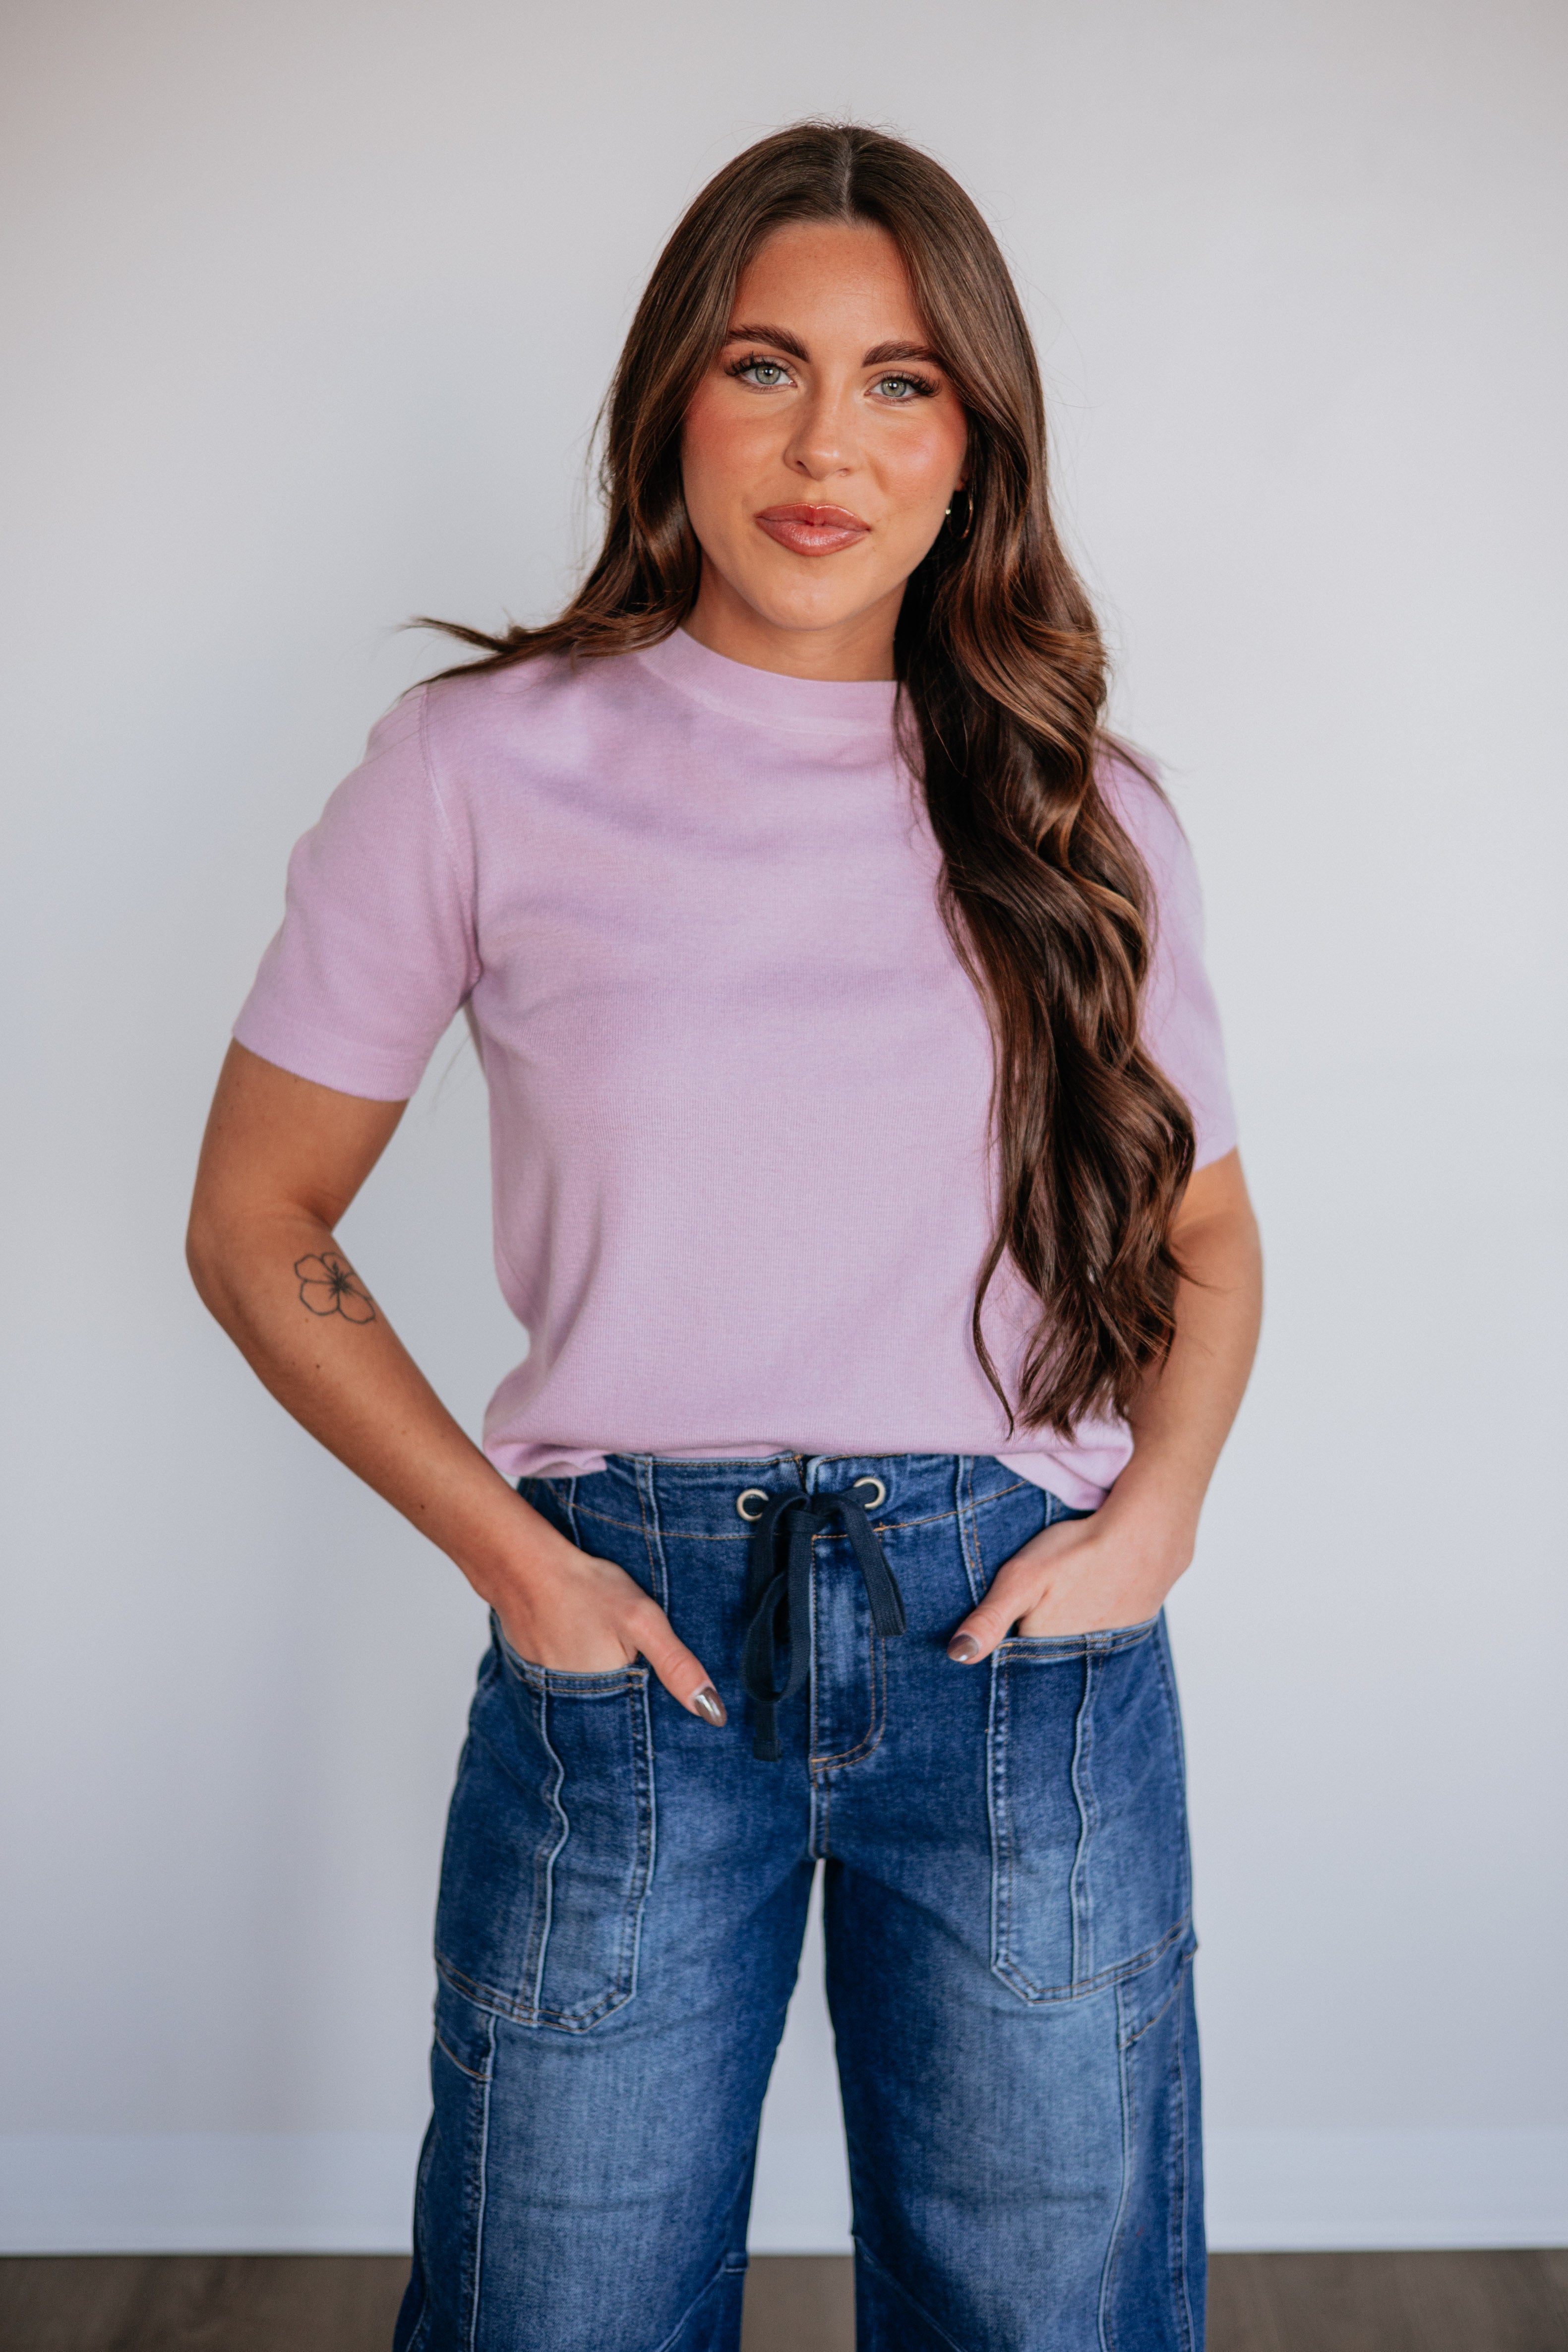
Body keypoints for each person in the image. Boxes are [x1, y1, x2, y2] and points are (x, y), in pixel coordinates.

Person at [187, 120, 1262, 2352]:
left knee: (1048, 2315)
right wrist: (522, 1565)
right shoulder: (473, 766)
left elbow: (1207, 1236)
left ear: (973, 446)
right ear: (671, 396)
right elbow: (255, 1213)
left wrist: (1152, 1521)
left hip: (1020, 1647)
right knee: (552, 2308)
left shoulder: (1082, 809)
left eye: (900, 384)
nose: (824, 446)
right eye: (764, 365)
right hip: (627, 1649)